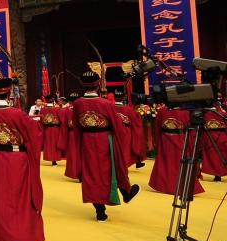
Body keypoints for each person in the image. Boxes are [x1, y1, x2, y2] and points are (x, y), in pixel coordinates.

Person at [0, 77, 44, 241]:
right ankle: (22, 235)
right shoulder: (17, 114)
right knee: (19, 197)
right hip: (16, 159)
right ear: (9, 92)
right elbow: (33, 135)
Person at [71, 72, 140, 221]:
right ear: (97, 85)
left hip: (86, 140)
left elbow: (76, 126)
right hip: (105, 140)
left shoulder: (77, 103)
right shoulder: (105, 104)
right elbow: (118, 126)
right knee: (111, 170)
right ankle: (125, 192)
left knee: (91, 174)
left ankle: (100, 211)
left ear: (83, 85)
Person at [148, 101, 203, 196]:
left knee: (165, 164)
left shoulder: (162, 111)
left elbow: (157, 127)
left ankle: (163, 186)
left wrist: (157, 142)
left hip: (165, 139)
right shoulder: (186, 112)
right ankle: (181, 187)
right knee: (179, 164)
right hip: (180, 139)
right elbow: (191, 130)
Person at [39, 94, 65, 165]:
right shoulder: (57, 109)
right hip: (56, 128)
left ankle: (50, 158)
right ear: (53, 100)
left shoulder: (43, 109)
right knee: (55, 144)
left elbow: (41, 121)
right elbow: (62, 119)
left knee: (49, 144)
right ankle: (54, 159)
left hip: (47, 129)